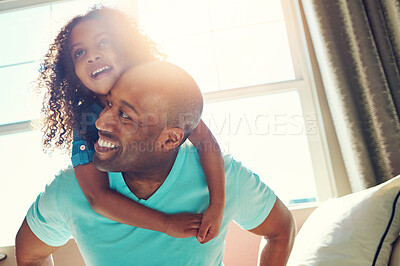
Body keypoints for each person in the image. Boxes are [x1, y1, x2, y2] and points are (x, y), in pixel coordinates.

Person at [16, 62, 296, 265]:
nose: (100, 122)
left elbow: (281, 228)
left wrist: (218, 203)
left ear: (170, 139)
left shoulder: (224, 178)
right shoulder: (71, 190)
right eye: (109, 105)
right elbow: (29, 254)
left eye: (125, 115)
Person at [36, 6, 224, 243]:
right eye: (80, 52)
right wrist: (166, 223)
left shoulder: (159, 91)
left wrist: (217, 206)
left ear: (126, 46)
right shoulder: (84, 123)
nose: (92, 56)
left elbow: (206, 142)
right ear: (72, 72)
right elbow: (97, 197)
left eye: (103, 42)